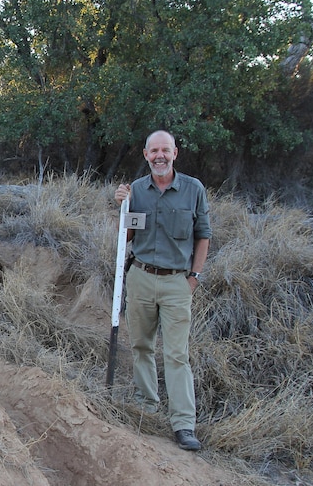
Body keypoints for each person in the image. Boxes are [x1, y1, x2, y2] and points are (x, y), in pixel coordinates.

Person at [114, 130, 211, 451]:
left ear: (175, 153)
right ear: (145, 154)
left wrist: (194, 277)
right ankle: (146, 406)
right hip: (140, 277)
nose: (159, 155)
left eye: (165, 150)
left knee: (177, 355)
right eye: (154, 150)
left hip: (176, 283)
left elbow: (203, 235)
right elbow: (126, 238)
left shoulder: (193, 189)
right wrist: (122, 208)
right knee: (141, 346)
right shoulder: (136, 191)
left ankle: (183, 424)